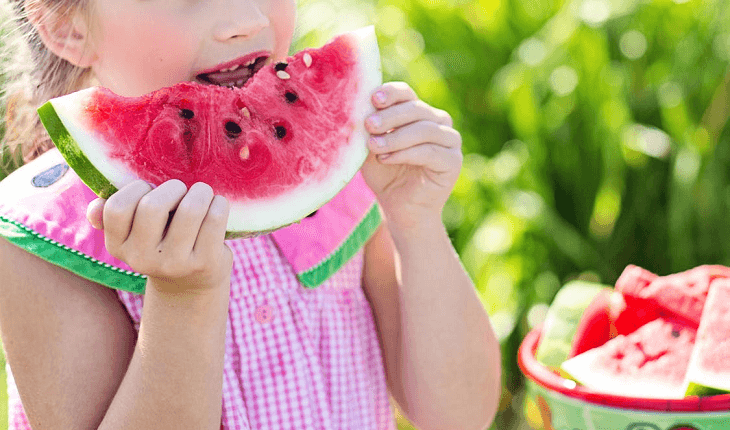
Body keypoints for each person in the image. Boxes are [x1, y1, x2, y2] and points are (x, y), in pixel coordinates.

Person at [0, 0, 501, 429]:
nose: (243, 19)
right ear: (66, 26)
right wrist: (183, 299)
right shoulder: (43, 237)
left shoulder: (343, 177)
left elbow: (459, 414)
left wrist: (417, 223)